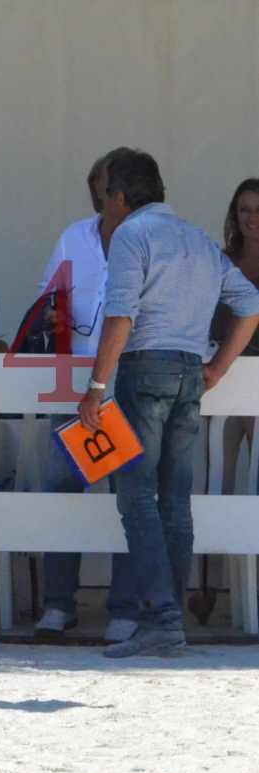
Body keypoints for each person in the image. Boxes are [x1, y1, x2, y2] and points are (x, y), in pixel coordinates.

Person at [79, 149, 259, 657]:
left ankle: (159, 617)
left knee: (136, 497)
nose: (102, 210)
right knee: (175, 501)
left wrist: (95, 388)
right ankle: (171, 617)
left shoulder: (133, 236)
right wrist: (218, 368)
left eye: (104, 199)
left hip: (145, 369)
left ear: (119, 197)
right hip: (188, 373)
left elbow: (120, 318)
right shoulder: (199, 239)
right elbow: (249, 305)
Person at [33, 149, 141, 640]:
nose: (104, 194)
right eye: (99, 184)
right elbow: (45, 300)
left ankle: (125, 608)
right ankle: (59, 604)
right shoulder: (73, 237)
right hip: (74, 389)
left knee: (131, 499)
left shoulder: (147, 238)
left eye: (111, 185)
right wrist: (51, 315)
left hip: (130, 383)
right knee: (61, 493)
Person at [209, 179, 259, 495]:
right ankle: (212, 547)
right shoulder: (220, 261)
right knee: (217, 479)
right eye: (244, 209)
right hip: (223, 376)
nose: (251, 218)